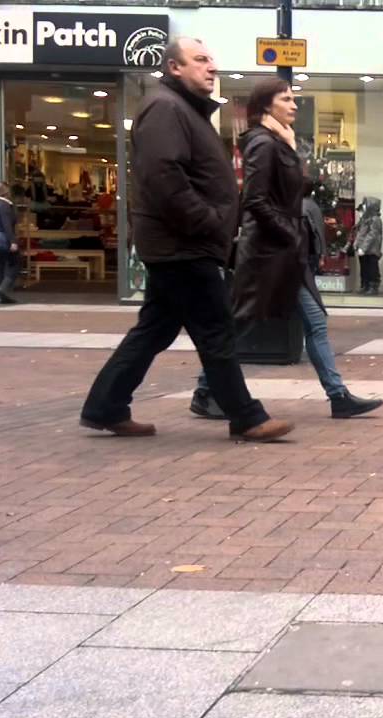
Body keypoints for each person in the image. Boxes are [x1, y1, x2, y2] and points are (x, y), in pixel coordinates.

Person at [80, 38, 292, 442]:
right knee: (216, 330)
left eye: (212, 60)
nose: (211, 67)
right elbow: (164, 178)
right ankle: (246, 416)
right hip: (182, 245)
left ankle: (105, 406)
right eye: (200, 60)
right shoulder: (165, 108)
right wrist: (209, 222)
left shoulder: (182, 110)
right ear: (174, 68)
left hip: (181, 244)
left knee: (155, 330)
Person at [190, 78, 383, 422]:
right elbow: (256, 200)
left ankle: (338, 396)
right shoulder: (262, 144)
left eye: (294, 99)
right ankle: (205, 391)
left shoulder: (280, 142)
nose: (294, 105)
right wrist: (289, 235)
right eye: (287, 99)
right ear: (267, 106)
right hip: (268, 253)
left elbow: (287, 191)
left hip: (286, 253)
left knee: (315, 322)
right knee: (242, 322)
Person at [353, 197, 383, 295]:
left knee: (372, 268)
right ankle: (365, 285)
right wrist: (357, 245)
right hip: (364, 249)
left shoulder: (375, 220)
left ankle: (373, 286)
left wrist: (363, 247)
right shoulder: (365, 219)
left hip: (371, 249)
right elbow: (360, 233)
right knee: (364, 268)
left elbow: (372, 235)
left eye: (365, 205)